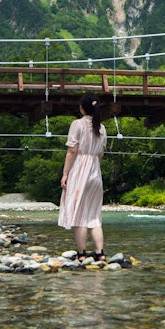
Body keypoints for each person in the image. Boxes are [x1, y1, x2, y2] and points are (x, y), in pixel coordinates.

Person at [59, 92, 107, 262]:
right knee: (94, 215)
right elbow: (101, 154)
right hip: (95, 171)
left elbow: (72, 151)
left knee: (79, 215)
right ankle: (100, 253)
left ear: (82, 108)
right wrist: (93, 167)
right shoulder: (101, 128)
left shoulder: (77, 124)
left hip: (79, 170)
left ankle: (81, 254)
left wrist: (65, 174)